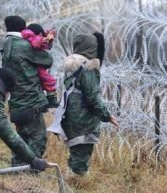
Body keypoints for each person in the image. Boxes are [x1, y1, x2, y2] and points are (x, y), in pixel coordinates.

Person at [50, 32, 118, 176]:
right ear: (92, 48)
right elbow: (93, 96)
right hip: (83, 116)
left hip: (70, 112)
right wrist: (106, 115)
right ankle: (77, 182)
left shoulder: (71, 66)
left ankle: (72, 177)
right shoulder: (88, 68)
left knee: (76, 149)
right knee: (82, 152)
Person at [2, 15, 53, 165]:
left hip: (16, 100)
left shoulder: (6, 43)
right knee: (38, 138)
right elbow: (47, 60)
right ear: (23, 29)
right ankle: (31, 170)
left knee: (21, 137)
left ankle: (17, 168)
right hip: (31, 101)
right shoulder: (23, 45)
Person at [21, 23, 58, 107]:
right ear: (39, 34)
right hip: (38, 66)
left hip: (35, 64)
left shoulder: (28, 38)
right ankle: (51, 100)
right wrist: (44, 40)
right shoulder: (34, 38)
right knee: (48, 80)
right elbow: (37, 42)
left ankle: (50, 99)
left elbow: (47, 46)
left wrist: (49, 38)